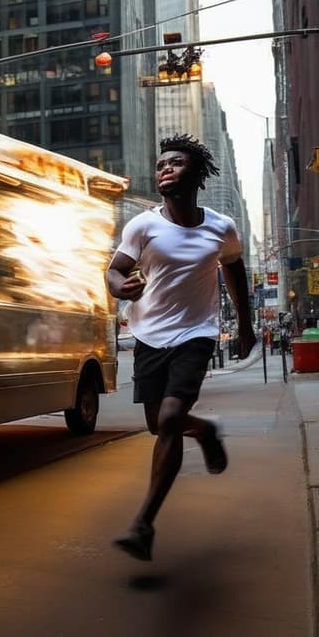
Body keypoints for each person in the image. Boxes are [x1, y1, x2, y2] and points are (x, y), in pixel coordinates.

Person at [106, 134, 255, 561]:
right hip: (149, 335)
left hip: (196, 333)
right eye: (161, 164)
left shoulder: (220, 226)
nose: (165, 169)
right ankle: (205, 431)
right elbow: (114, 272)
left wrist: (244, 325)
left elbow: (235, 271)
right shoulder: (143, 226)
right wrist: (124, 288)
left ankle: (143, 525)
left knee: (170, 419)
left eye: (175, 163)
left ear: (196, 174)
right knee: (159, 425)